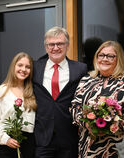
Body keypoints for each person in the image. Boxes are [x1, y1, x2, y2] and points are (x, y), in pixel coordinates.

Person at [70, 41, 124, 157]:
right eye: (101, 55)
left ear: (118, 59)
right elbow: (75, 107)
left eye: (110, 56)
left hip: (116, 148)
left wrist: (114, 122)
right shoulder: (86, 80)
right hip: (88, 147)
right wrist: (87, 123)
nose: (104, 59)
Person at [33, 26, 87, 158]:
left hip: (69, 136)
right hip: (42, 136)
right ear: (46, 47)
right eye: (51, 44)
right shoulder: (35, 67)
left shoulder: (80, 69)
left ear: (67, 45)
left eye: (60, 44)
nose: (56, 48)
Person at [0, 52, 37, 158]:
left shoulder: (33, 92)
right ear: (13, 67)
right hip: (6, 145)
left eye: (27, 67)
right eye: (20, 65)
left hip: (29, 145)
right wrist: (6, 139)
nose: (23, 69)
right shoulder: (1, 92)